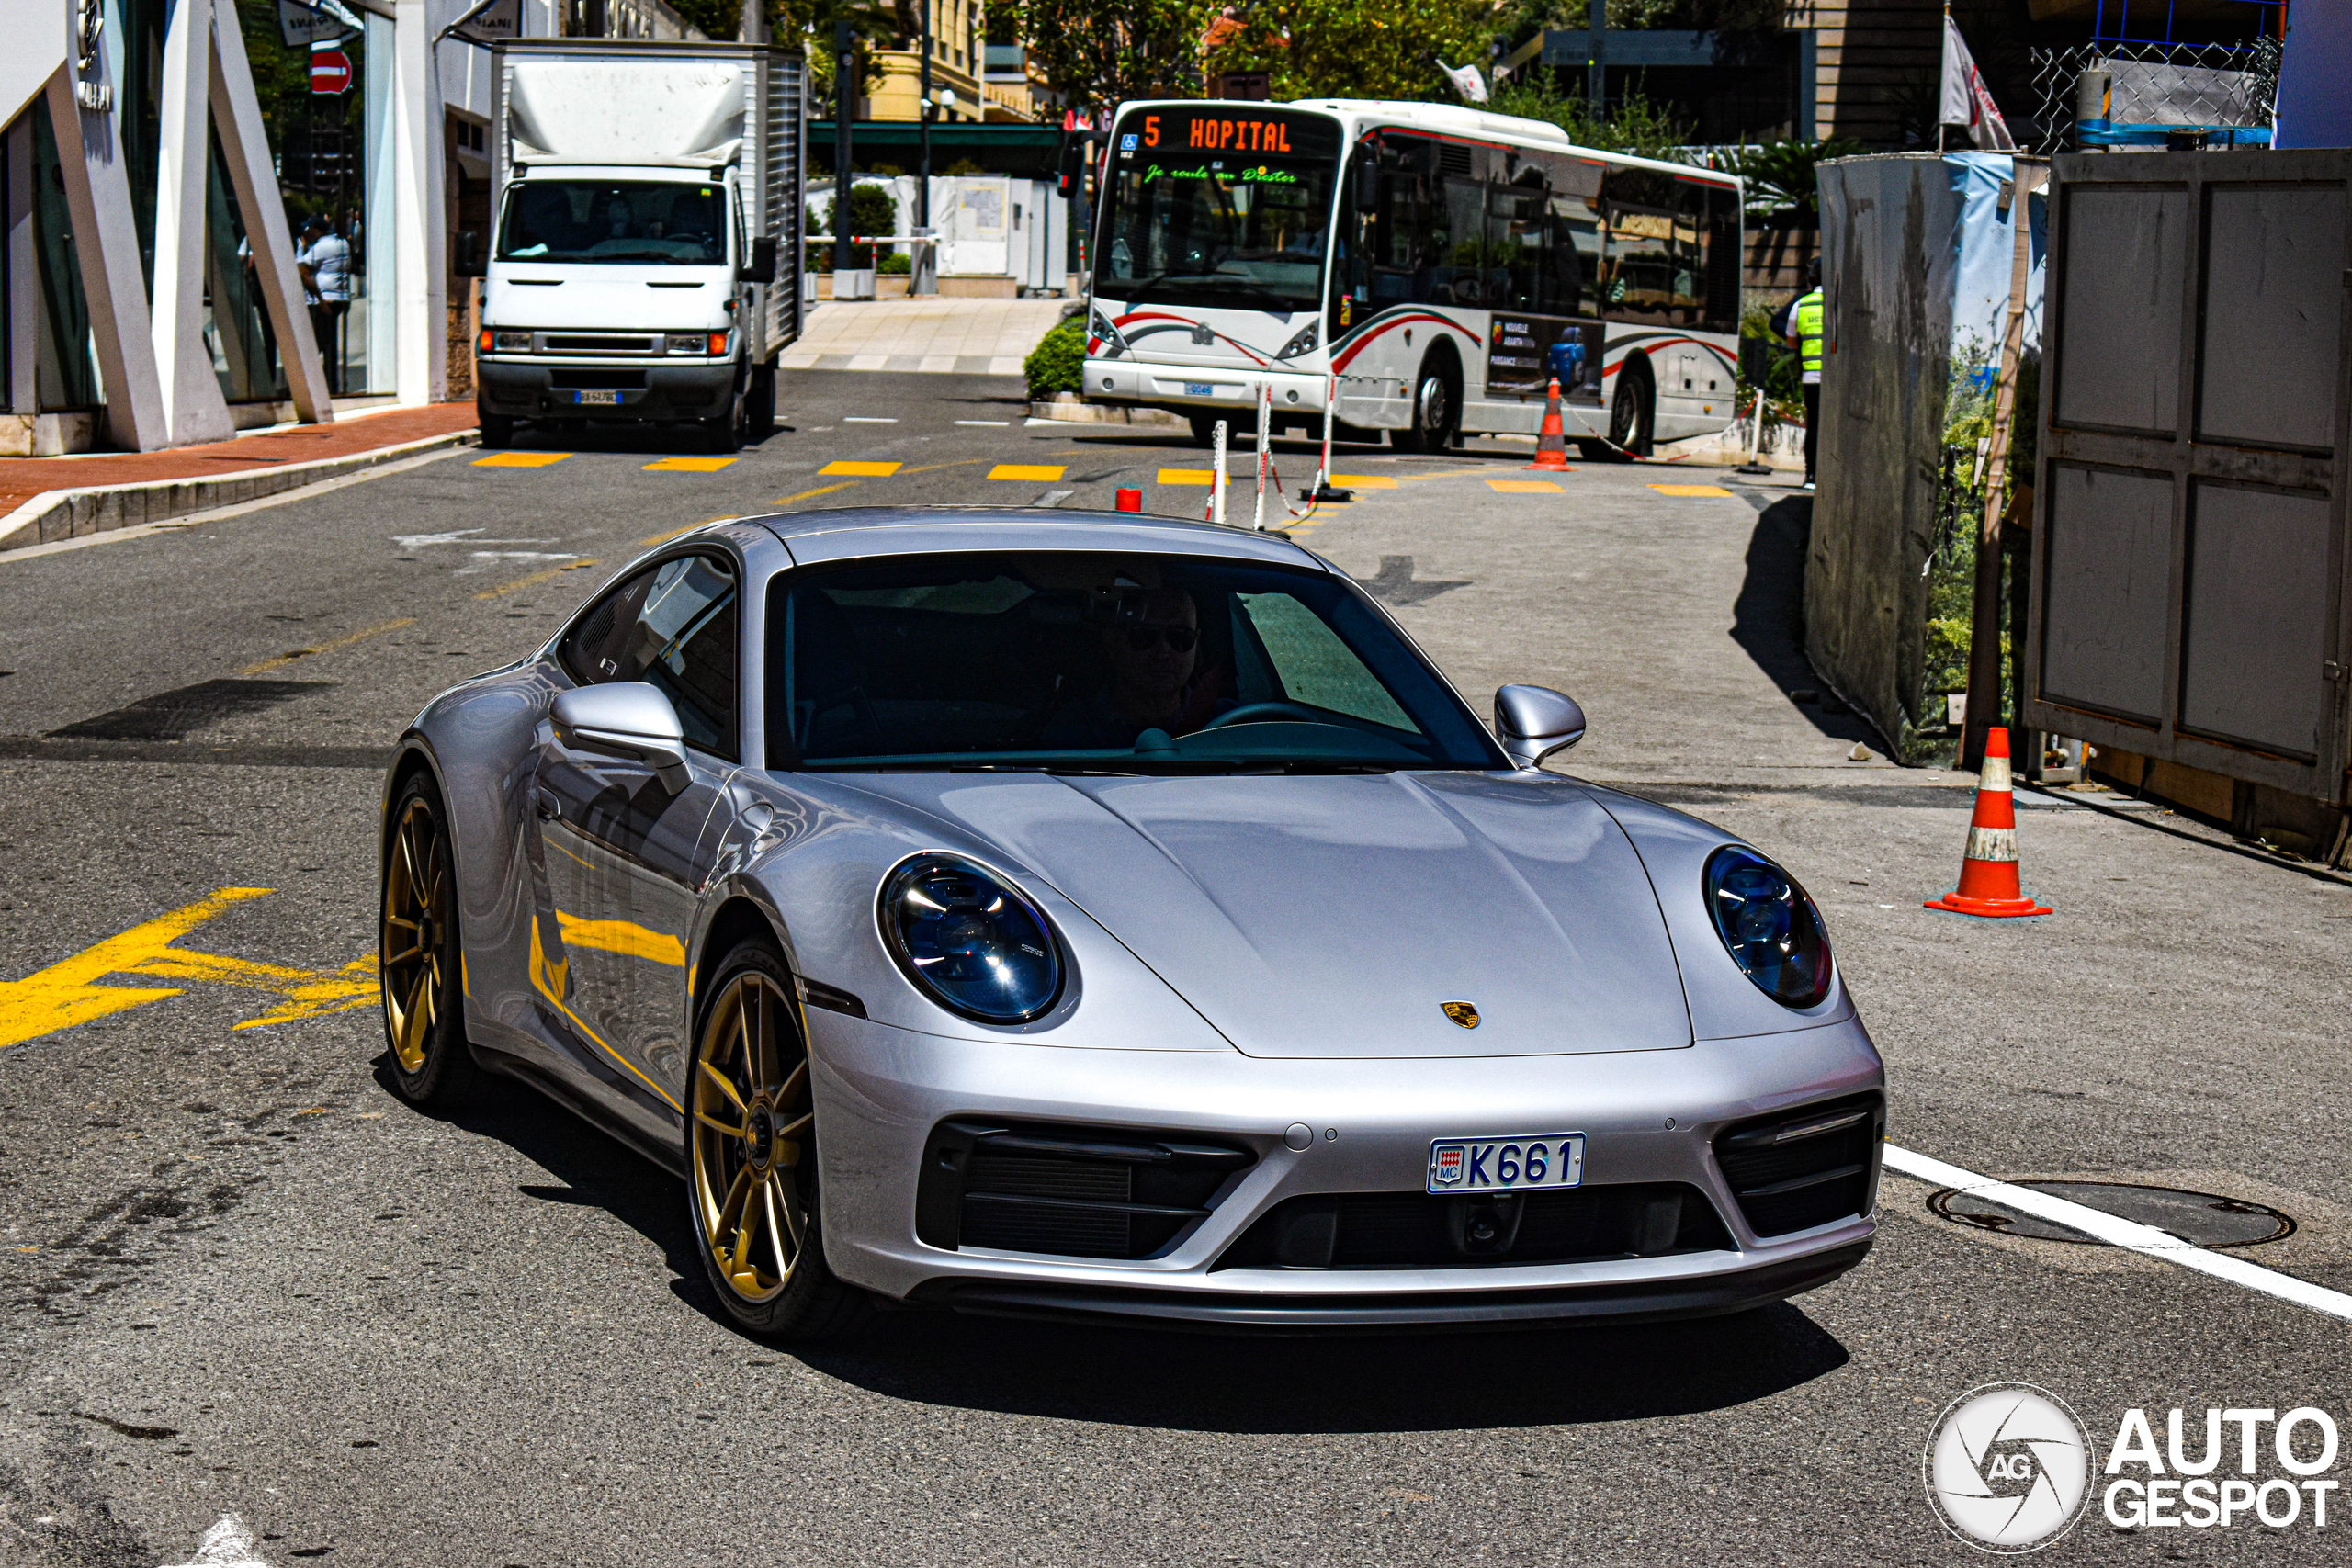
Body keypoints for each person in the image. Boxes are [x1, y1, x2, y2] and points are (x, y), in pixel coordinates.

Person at [1043, 589, 1229, 749]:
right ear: (1111, 640)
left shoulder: (1229, 724)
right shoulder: (1071, 733)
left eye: (1180, 638)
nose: (1163, 652)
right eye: (1144, 636)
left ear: (1196, 643)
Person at [296, 215, 353, 395]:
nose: (306, 232)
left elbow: (302, 269)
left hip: (324, 300)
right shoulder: (342, 243)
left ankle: (310, 386)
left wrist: (302, 248)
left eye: (309, 230)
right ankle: (332, 384)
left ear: (317, 231)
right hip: (340, 297)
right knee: (329, 344)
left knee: (317, 344)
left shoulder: (321, 247)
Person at [1785, 255, 1824, 491]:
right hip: (1835, 380)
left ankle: (1811, 475)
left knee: (1814, 426)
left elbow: (1791, 340)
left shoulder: (1801, 305)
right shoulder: (1837, 304)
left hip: (1810, 376)